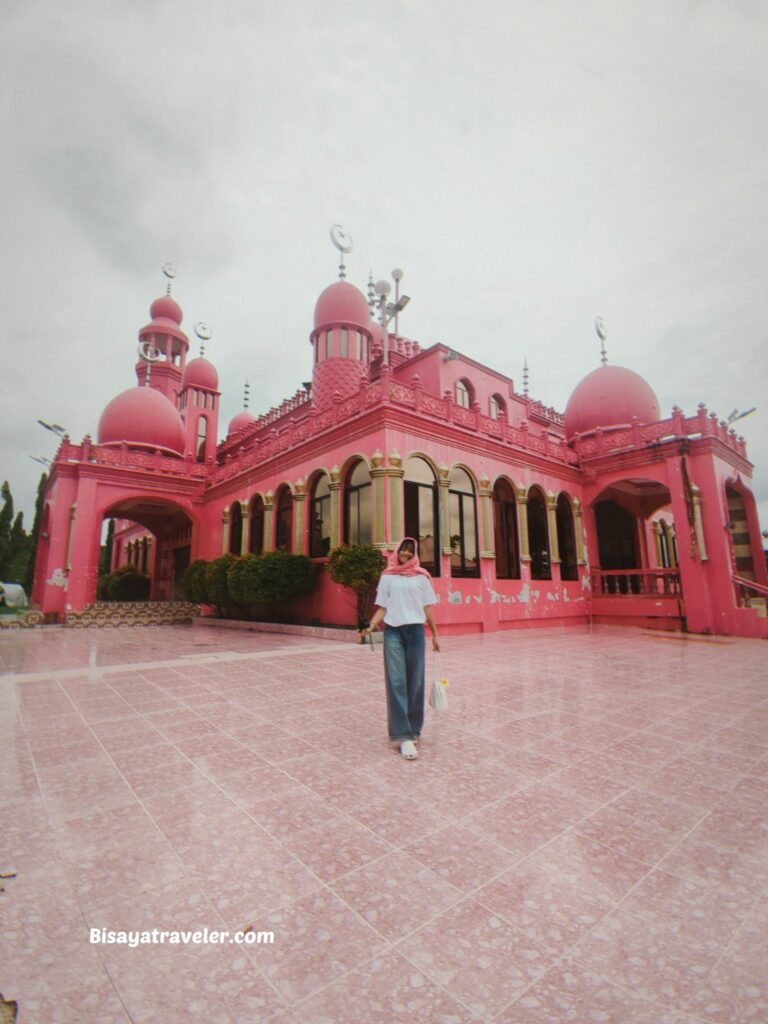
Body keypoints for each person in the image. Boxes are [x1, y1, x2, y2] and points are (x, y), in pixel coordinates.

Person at [360, 538, 440, 760]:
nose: (405, 553)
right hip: (393, 632)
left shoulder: (422, 577)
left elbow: (427, 607)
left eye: (409, 550)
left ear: (414, 553)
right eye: (402, 549)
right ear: (397, 552)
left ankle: (414, 730)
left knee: (415, 681)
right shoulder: (388, 577)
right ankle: (403, 736)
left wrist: (435, 634)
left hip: (415, 631)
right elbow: (383, 607)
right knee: (396, 681)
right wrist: (370, 627)